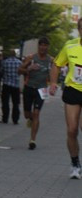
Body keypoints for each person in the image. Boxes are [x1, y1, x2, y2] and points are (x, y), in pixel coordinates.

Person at [50, 20, 82, 178]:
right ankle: (75, 163)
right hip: (73, 89)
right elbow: (56, 64)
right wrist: (54, 83)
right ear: (79, 30)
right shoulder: (70, 46)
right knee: (72, 129)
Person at [19, 37, 55, 150]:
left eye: (45, 45)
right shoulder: (31, 57)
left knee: (36, 114)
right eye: (41, 45)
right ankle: (31, 120)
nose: (43, 47)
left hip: (42, 89)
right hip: (29, 87)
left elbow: (55, 71)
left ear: (48, 47)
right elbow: (19, 70)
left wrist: (53, 83)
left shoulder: (51, 60)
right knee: (27, 114)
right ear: (38, 46)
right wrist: (29, 68)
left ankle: (32, 140)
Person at [0, 49, 22, 124]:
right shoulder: (19, 62)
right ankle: (15, 119)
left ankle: (5, 118)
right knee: (16, 103)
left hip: (6, 84)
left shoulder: (5, 62)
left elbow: (1, 71)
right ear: (15, 55)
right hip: (16, 85)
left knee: (5, 102)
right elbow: (20, 72)